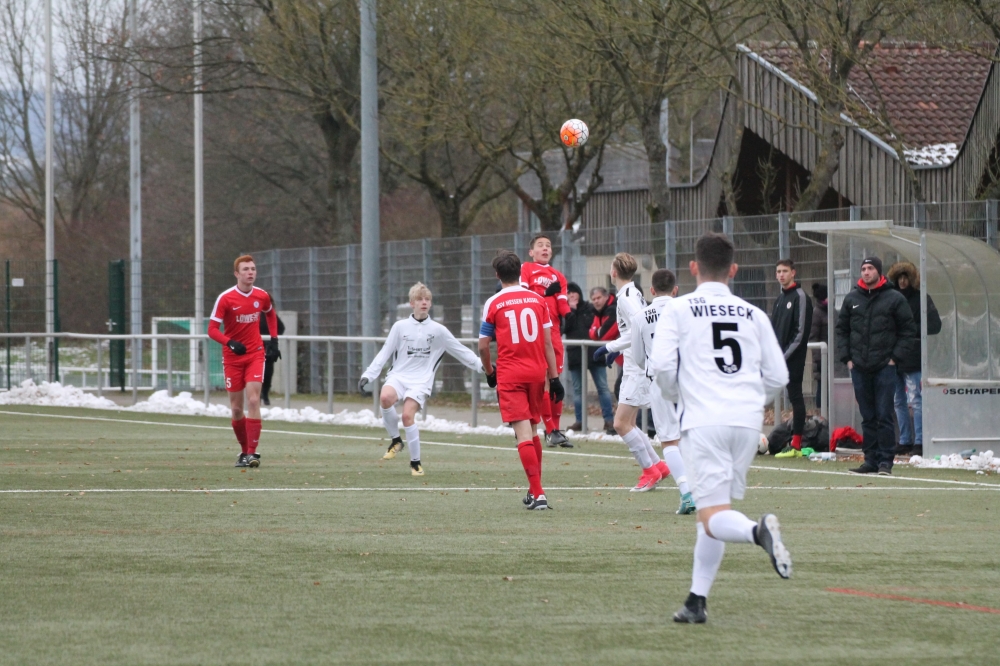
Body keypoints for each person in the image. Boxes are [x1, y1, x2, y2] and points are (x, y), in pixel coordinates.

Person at [651, 232, 791, 624]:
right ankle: (696, 600)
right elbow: (778, 376)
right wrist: (749, 400)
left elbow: (662, 367)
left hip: (704, 421)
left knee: (713, 516)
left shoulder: (678, 309)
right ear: (733, 270)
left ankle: (758, 532)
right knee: (712, 512)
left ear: (693, 267)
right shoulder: (754, 313)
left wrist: (678, 395)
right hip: (745, 425)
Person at [360, 282, 484, 476]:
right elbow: (385, 352)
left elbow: (460, 351)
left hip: (421, 381)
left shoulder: (438, 330)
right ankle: (396, 440)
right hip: (399, 376)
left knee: (407, 416)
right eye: (419, 299)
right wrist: (368, 374)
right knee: (385, 398)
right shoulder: (400, 327)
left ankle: (415, 463)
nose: (424, 302)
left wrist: (481, 365)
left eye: (427, 299)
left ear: (431, 304)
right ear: (412, 303)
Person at [479, 251, 563, 510]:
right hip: (537, 373)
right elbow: (547, 343)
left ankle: (538, 493)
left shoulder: (494, 302)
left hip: (511, 374)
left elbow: (483, 346)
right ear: (520, 272)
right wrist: (554, 378)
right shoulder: (538, 300)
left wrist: (489, 372)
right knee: (534, 431)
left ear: (497, 275)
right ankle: (533, 489)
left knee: (523, 434)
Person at [593, 253, 669, 492]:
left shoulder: (627, 297)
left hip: (637, 368)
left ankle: (650, 471)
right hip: (633, 364)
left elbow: (639, 327)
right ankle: (658, 466)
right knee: (629, 422)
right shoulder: (631, 292)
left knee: (620, 424)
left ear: (614, 272)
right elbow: (635, 329)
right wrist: (617, 348)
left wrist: (610, 347)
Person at [835, 256, 918, 476]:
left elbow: (908, 331)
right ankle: (870, 460)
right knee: (868, 416)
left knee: (884, 415)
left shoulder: (894, 298)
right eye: (863, 268)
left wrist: (894, 358)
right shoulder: (852, 298)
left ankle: (885, 462)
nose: (866, 272)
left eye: (870, 268)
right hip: (859, 367)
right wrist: (848, 359)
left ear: (879, 272)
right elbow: (842, 330)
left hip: (885, 367)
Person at [630, 268, 695, 514]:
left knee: (669, 440)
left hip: (659, 380)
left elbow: (638, 357)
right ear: (675, 289)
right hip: (689, 378)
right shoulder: (687, 311)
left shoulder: (640, 316)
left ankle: (687, 493)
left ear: (652, 290)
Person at [208, 255, 279, 468]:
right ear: (236, 274)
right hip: (232, 358)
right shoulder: (226, 298)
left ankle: (252, 453)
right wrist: (229, 342)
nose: (250, 272)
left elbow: (270, 314)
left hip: (255, 354)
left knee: (254, 401)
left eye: (253, 269)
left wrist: (274, 340)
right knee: (237, 409)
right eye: (246, 269)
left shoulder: (262, 295)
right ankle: (244, 450)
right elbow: (212, 330)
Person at [520, 234, 572, 447]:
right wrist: (544, 296)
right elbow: (522, 298)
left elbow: (562, 303)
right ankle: (549, 428)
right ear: (531, 252)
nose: (545, 248)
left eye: (548, 245)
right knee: (543, 380)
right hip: (535, 332)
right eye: (540, 245)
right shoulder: (526, 269)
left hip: (554, 333)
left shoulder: (558, 276)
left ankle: (555, 430)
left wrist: (570, 316)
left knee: (555, 377)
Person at [887, 261, 941, 457]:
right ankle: (904, 440)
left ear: (912, 279)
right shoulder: (890, 299)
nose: (902, 281)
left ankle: (919, 441)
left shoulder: (921, 298)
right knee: (898, 401)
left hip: (913, 357)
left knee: (916, 400)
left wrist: (908, 331)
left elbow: (935, 325)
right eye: (899, 278)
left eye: (906, 277)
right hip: (893, 357)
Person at [770, 259, 813, 458]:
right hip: (777, 358)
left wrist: (783, 356)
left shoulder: (800, 297)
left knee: (795, 396)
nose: (781, 275)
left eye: (785, 271)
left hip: (792, 358)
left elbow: (800, 333)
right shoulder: (780, 299)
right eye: (778, 271)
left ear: (793, 273)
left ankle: (796, 444)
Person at [563, 282, 604, 431]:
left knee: (602, 388)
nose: (571, 295)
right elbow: (564, 328)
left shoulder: (590, 308)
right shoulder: (565, 311)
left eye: (574, 292)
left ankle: (609, 420)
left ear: (579, 293)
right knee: (578, 390)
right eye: (568, 293)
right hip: (575, 355)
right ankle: (579, 421)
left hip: (594, 354)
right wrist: (571, 311)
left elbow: (594, 325)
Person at [587, 286, 619, 435]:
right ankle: (615, 422)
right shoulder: (598, 312)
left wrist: (597, 332)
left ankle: (625, 422)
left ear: (606, 297)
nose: (596, 301)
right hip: (619, 356)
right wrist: (597, 332)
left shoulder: (613, 310)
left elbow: (603, 335)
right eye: (593, 299)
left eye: (598, 298)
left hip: (627, 355)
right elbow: (593, 333)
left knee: (618, 389)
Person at [809, 283, 829, 408]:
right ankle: (821, 412)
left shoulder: (830, 311)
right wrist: (819, 359)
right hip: (822, 358)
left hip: (832, 358)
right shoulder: (816, 313)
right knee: (822, 387)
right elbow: (813, 338)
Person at [259, 313, 285, 406]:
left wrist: (273, 339)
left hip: (268, 348)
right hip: (255, 347)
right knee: (257, 372)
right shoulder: (253, 314)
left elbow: (281, 327)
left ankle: (265, 393)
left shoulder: (269, 314)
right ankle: (258, 394)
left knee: (268, 372)